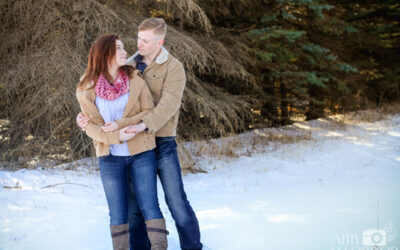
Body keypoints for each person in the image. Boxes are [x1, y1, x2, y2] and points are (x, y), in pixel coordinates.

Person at [77, 18, 203, 250]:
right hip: (132, 143)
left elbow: (169, 104)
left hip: (161, 140)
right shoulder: (130, 65)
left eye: (145, 41)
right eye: (138, 39)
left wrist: (142, 124)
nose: (139, 44)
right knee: (135, 207)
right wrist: (85, 120)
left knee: (176, 201)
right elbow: (105, 97)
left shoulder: (173, 67)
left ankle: (193, 247)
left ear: (160, 42)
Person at [75, 34, 168, 250]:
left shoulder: (135, 79)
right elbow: (90, 127)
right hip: (109, 158)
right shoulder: (85, 88)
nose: (125, 52)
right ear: (105, 52)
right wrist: (116, 137)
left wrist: (121, 123)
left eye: (124, 47)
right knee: (117, 213)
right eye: (119, 48)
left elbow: (149, 111)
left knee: (150, 207)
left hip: (142, 153)